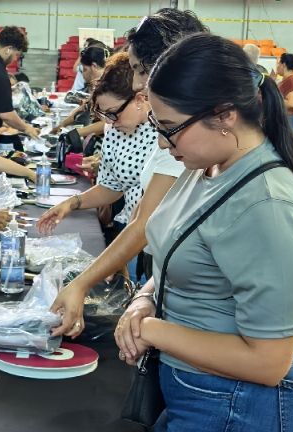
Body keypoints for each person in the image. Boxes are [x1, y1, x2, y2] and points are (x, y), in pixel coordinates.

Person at [116, 33, 293, 431]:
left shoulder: (267, 205)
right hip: (203, 393)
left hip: (246, 405)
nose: (162, 143)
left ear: (225, 115)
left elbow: (268, 362)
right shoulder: (206, 166)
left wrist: (151, 329)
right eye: (157, 126)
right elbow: (183, 258)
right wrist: (145, 300)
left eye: (171, 128)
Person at [44, 8, 204, 337]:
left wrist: (84, 283)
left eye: (140, 70)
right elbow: (141, 215)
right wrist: (143, 296)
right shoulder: (178, 135)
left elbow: (146, 224)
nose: (137, 83)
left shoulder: (188, 139)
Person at [37, 53, 158, 280]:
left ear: (140, 100)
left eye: (113, 113)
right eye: (105, 115)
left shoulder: (164, 133)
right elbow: (111, 186)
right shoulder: (114, 129)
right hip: (129, 232)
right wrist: (71, 203)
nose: (109, 121)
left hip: (156, 241)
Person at [277, 53, 293, 136]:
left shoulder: (291, 81)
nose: (277, 66)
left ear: (283, 65)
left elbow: (291, 103)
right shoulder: (285, 80)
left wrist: (275, 98)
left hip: (290, 120)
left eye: (278, 64)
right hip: (286, 119)